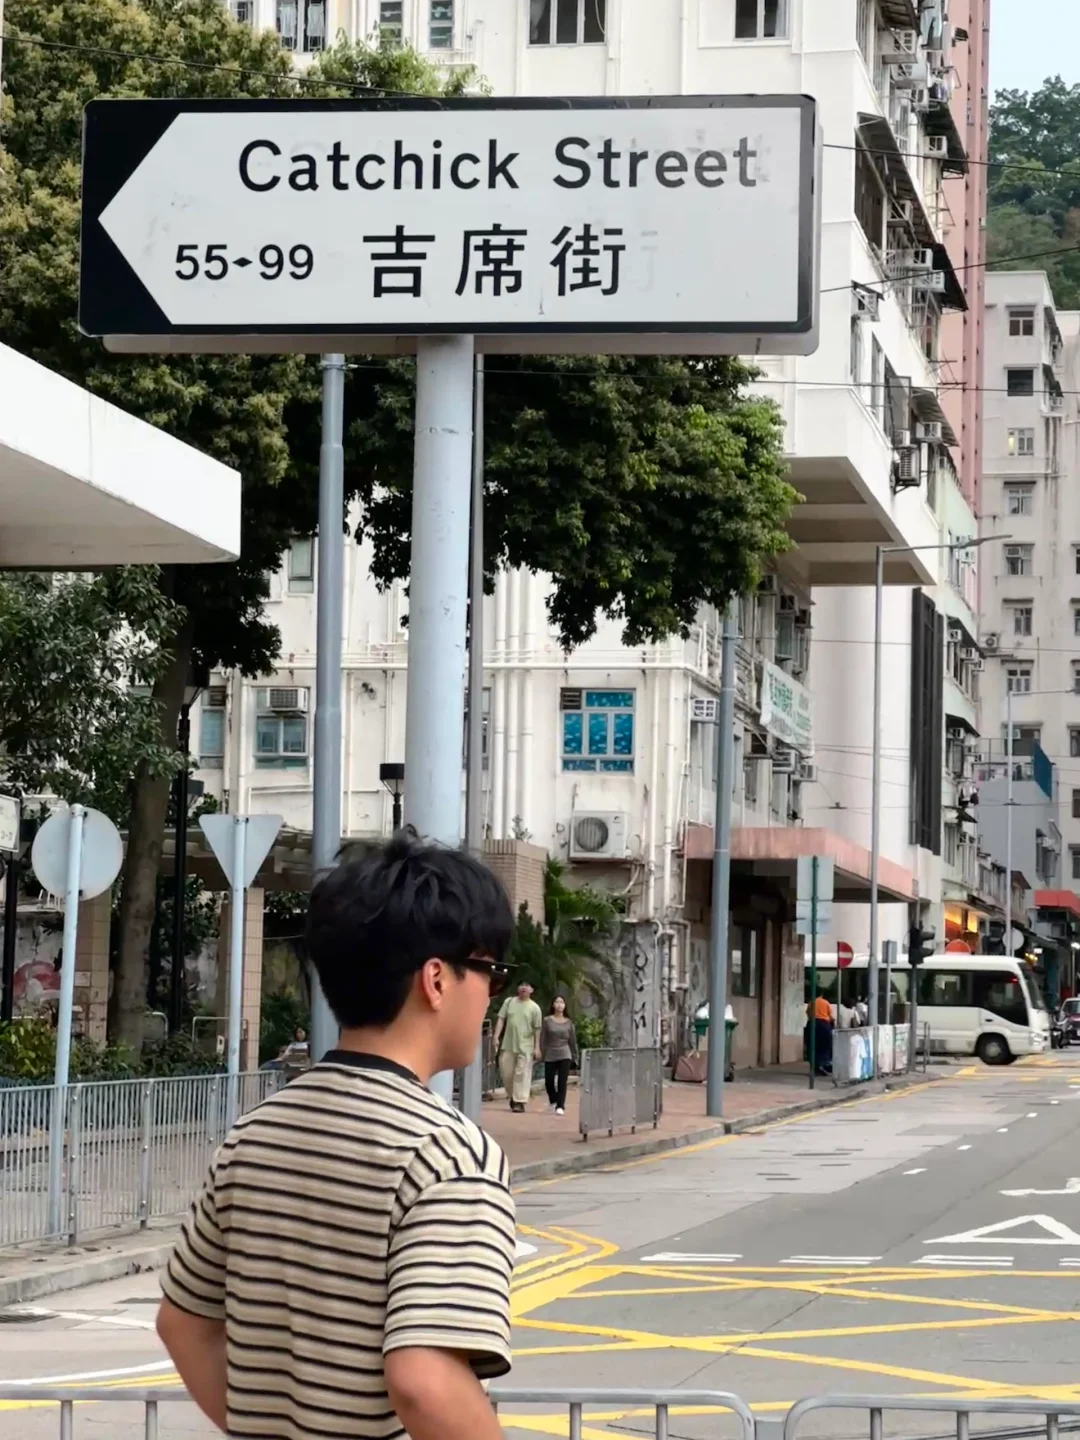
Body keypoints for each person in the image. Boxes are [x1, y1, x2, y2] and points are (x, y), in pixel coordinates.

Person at [155, 832, 517, 1440]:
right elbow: (425, 1381)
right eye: (490, 973)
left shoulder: (253, 1136)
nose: (491, 995)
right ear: (437, 979)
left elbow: (181, 1323)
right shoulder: (448, 1156)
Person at [493, 979, 542, 1113]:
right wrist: (496, 1036)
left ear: (532, 990)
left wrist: (537, 1047)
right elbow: (501, 1019)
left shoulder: (535, 1008)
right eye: (521, 985)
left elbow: (537, 1028)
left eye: (527, 985)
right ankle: (513, 1097)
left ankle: (519, 1101)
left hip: (525, 1045)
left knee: (522, 1074)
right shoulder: (509, 1002)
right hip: (508, 1044)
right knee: (506, 1073)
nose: (524, 988)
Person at [541, 995, 579, 1115]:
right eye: (557, 1002)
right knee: (549, 1081)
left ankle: (560, 1105)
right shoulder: (547, 1020)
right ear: (553, 1005)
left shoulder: (569, 1022)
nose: (559, 1005)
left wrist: (575, 1056)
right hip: (551, 1053)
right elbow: (543, 1038)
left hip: (565, 1053)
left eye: (562, 1002)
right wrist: (541, 1051)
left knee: (562, 1081)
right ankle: (553, 1100)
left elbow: (572, 1041)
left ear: (565, 1005)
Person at [804, 994, 834, 1075]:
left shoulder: (812, 1002)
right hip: (824, 1025)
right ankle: (823, 1064)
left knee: (812, 1045)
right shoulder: (826, 1003)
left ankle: (815, 1067)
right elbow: (831, 1017)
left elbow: (808, 1013)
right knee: (825, 1045)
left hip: (812, 1023)